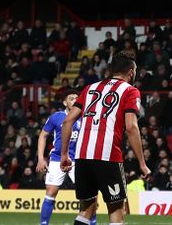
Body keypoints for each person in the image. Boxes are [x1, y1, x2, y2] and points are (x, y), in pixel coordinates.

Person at [60, 52, 151, 225]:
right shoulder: (130, 91)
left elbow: (67, 121)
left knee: (86, 209)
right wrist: (142, 163)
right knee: (116, 210)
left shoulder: (89, 88)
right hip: (107, 156)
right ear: (131, 72)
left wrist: (65, 154)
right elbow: (131, 127)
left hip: (82, 156)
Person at [36, 92, 95, 225]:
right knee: (50, 192)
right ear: (65, 103)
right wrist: (41, 158)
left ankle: (92, 222)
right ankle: (44, 223)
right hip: (57, 159)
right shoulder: (56, 117)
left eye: (76, 98)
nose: (74, 100)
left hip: (79, 160)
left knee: (88, 196)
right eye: (71, 98)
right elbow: (43, 135)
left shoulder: (85, 117)